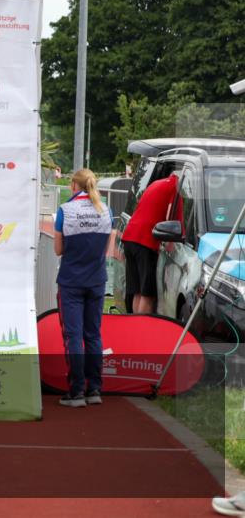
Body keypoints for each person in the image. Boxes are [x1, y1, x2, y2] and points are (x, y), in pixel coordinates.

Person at [53, 169, 113, 407]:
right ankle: (95, 389)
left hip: (71, 281)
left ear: (73, 186)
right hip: (97, 279)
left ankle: (77, 391)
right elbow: (105, 247)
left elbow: (58, 249)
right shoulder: (106, 210)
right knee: (94, 334)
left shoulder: (65, 211)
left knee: (74, 336)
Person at [121, 172, 179, 314]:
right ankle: (141, 331)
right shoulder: (175, 188)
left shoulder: (155, 184)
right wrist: (170, 247)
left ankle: (134, 328)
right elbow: (172, 219)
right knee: (148, 295)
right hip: (145, 242)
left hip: (129, 237)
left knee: (137, 292)